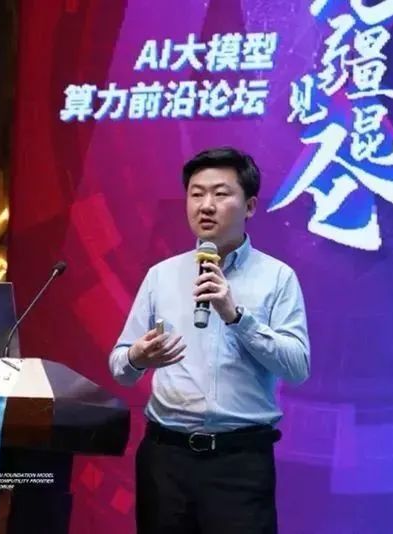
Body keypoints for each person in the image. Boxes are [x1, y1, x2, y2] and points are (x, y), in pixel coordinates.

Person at [109, 147, 311, 534]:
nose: (206, 205)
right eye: (196, 193)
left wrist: (237, 317)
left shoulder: (277, 277)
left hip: (240, 463)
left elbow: (297, 367)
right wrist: (137, 356)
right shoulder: (161, 275)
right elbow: (120, 368)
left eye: (220, 194)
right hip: (165, 461)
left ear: (250, 206)